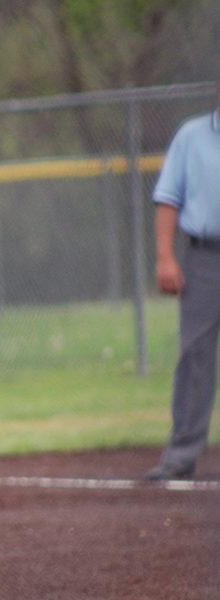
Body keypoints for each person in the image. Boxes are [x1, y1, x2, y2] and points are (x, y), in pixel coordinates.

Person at [145, 86, 220, 481]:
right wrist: (165, 257)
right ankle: (181, 456)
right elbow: (169, 199)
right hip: (205, 258)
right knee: (195, 357)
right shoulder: (192, 136)